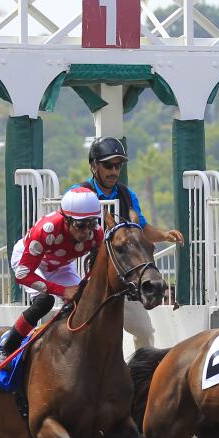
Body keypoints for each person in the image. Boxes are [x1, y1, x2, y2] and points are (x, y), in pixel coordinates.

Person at [0, 186, 180, 367]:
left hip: (59, 265)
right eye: (81, 225)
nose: (86, 232)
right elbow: (23, 275)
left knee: (85, 300)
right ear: (65, 219)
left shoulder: (95, 233)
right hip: (30, 263)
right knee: (44, 302)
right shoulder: (46, 230)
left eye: (91, 224)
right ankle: (7, 347)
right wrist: (62, 290)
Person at [76, 136, 184, 350]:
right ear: (93, 165)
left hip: (121, 281)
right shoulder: (79, 194)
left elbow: (141, 229)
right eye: (108, 165)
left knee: (144, 332)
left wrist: (163, 235)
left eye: (117, 166)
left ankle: (140, 380)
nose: (114, 171)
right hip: (87, 280)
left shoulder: (127, 195)